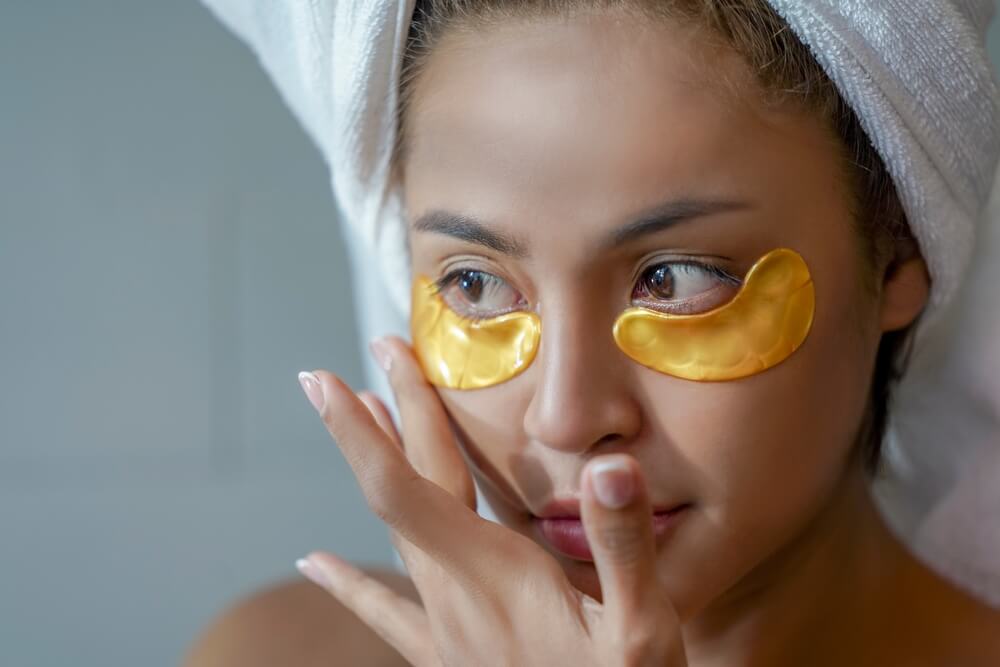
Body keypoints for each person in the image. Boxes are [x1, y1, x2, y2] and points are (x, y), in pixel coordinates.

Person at [185, 1, 1000, 664]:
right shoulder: (276, 649)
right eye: (475, 284)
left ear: (897, 254)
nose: (565, 418)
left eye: (676, 278)